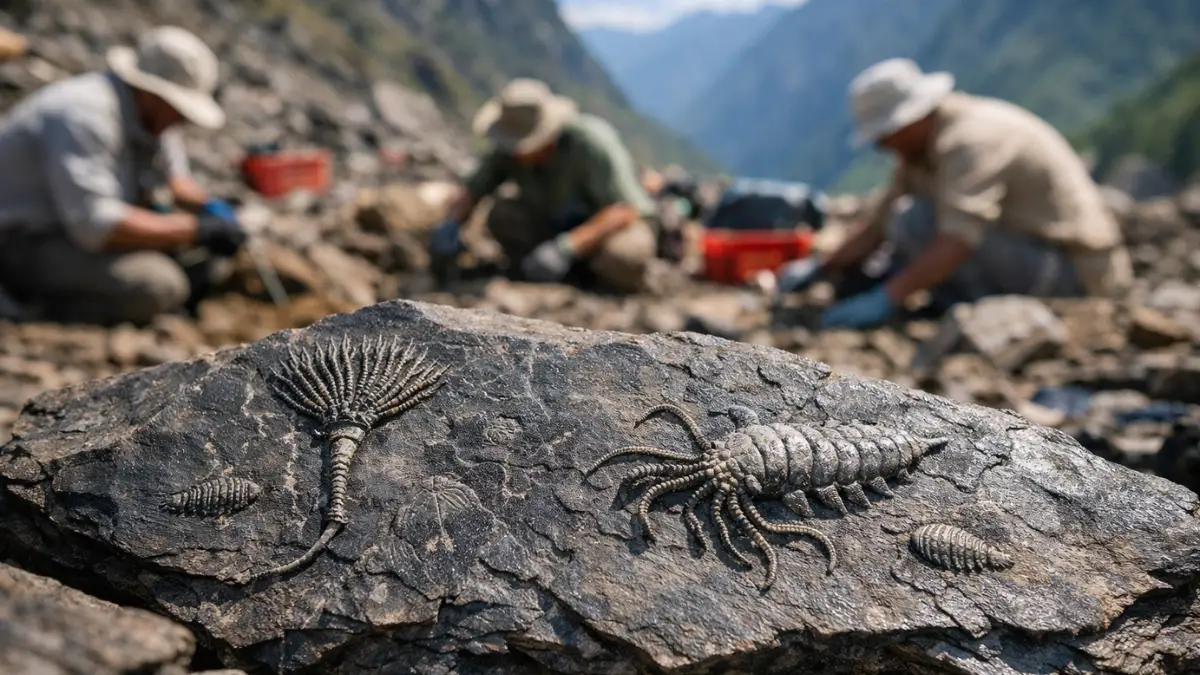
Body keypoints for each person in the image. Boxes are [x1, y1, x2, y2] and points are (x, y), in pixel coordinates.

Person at [777, 58, 1133, 329]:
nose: (883, 146)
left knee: (917, 222)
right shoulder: (922, 149)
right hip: (1034, 255)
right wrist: (823, 266)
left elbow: (958, 238)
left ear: (910, 119)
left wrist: (889, 296)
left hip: (1078, 273)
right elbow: (878, 225)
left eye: (885, 134)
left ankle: (972, 305)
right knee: (906, 221)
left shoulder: (972, 141)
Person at [0, 26, 247, 325]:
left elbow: (175, 180)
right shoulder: (84, 115)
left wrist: (211, 209)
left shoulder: (151, 117)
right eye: (179, 110)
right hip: (26, 239)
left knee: (202, 262)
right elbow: (95, 226)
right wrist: (195, 230)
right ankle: (34, 308)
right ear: (149, 92)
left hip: (72, 228)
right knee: (159, 285)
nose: (182, 121)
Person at [428, 78, 665, 294]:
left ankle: (600, 283)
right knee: (503, 215)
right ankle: (550, 271)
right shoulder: (507, 149)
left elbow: (623, 209)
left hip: (606, 230)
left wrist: (567, 248)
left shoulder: (592, 143)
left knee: (623, 256)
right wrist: (451, 223)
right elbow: (475, 187)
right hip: (552, 223)